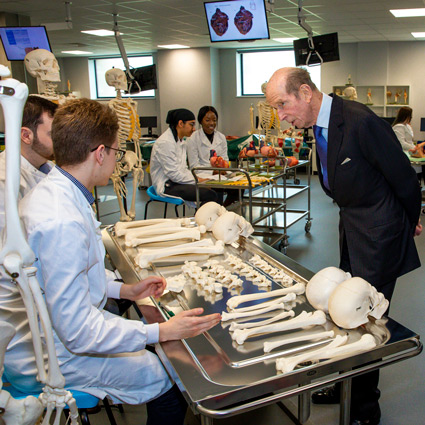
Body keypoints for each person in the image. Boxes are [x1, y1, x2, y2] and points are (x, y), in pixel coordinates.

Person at [16, 99, 221, 424]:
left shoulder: (61, 192)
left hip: (58, 330)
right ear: (100, 153)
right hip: (56, 353)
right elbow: (78, 331)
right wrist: (158, 330)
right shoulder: (60, 219)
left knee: (161, 344)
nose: (119, 158)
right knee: (171, 378)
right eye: (116, 151)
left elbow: (70, 273)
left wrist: (125, 289)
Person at [266, 67, 422, 425]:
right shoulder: (318, 126)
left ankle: (365, 409)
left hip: (379, 234)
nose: (281, 115)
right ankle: (345, 382)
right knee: (343, 312)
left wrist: (407, 221)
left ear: (305, 93)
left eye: (282, 104)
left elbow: (405, 179)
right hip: (352, 226)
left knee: (366, 318)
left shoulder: (360, 122)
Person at [0, 96, 57, 387]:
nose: (59, 139)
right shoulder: (5, 184)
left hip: (45, 301)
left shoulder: (44, 172)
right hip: (23, 323)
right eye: (52, 133)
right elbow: (11, 267)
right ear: (26, 134)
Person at [150, 108, 221, 205]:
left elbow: (183, 169)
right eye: (191, 124)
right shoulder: (165, 142)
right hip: (167, 185)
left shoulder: (180, 141)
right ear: (180, 124)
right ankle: (203, 219)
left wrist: (197, 180)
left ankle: (205, 217)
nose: (194, 128)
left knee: (211, 189)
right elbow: (174, 174)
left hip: (175, 182)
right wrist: (197, 180)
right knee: (209, 194)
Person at [187, 106, 238, 207]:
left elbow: (225, 159)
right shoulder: (193, 138)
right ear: (200, 121)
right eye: (207, 120)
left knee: (238, 188)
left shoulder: (221, 137)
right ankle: (210, 213)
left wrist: (223, 168)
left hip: (220, 174)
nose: (211, 123)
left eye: (214, 120)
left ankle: (222, 208)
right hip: (203, 175)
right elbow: (194, 167)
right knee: (216, 188)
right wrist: (212, 171)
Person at [392, 106, 425, 185]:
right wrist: (415, 147)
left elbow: (410, 140)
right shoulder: (398, 127)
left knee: (418, 175)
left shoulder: (406, 126)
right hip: (406, 155)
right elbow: (401, 143)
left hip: (412, 153)